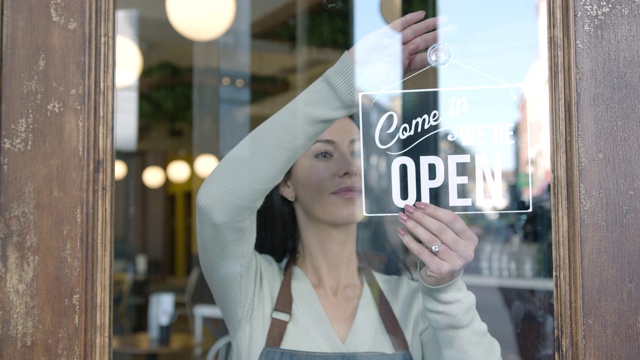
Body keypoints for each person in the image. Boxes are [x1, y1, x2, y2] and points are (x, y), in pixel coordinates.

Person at [197, 10, 501, 359]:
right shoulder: (253, 291)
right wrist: (343, 82)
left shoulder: (414, 301)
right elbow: (217, 205)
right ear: (285, 184)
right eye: (324, 155)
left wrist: (447, 290)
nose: (349, 168)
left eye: (357, 153)